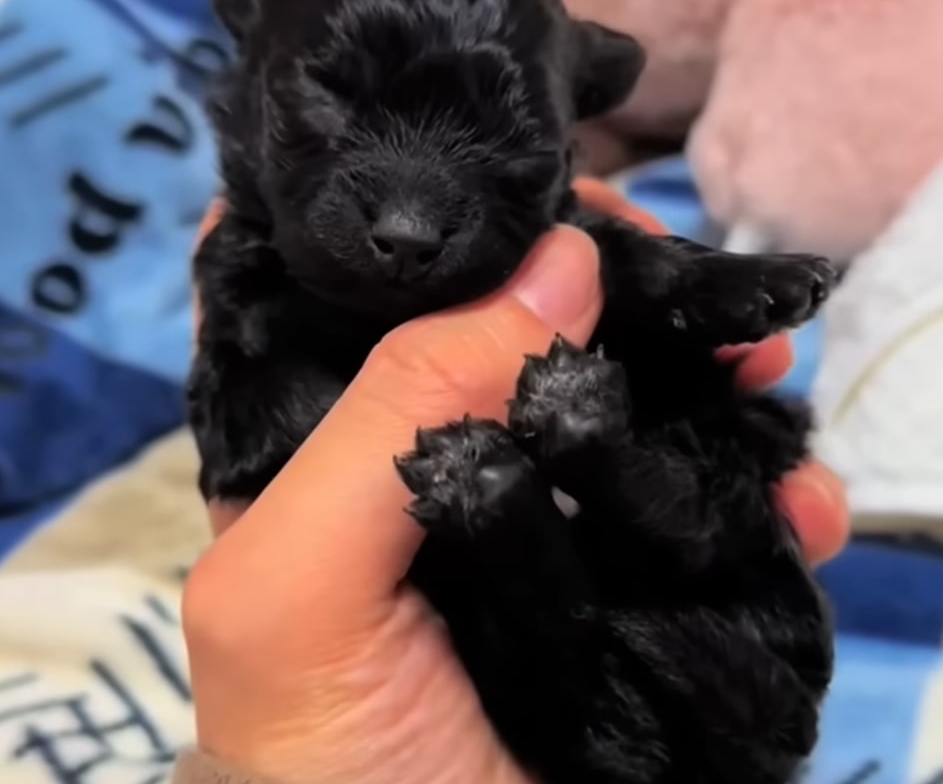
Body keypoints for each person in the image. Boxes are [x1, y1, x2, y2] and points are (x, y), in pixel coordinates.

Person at [173, 179, 850, 784]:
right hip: (600, 666)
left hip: (682, 650)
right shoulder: (265, 271)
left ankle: (569, 482)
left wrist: (671, 282)